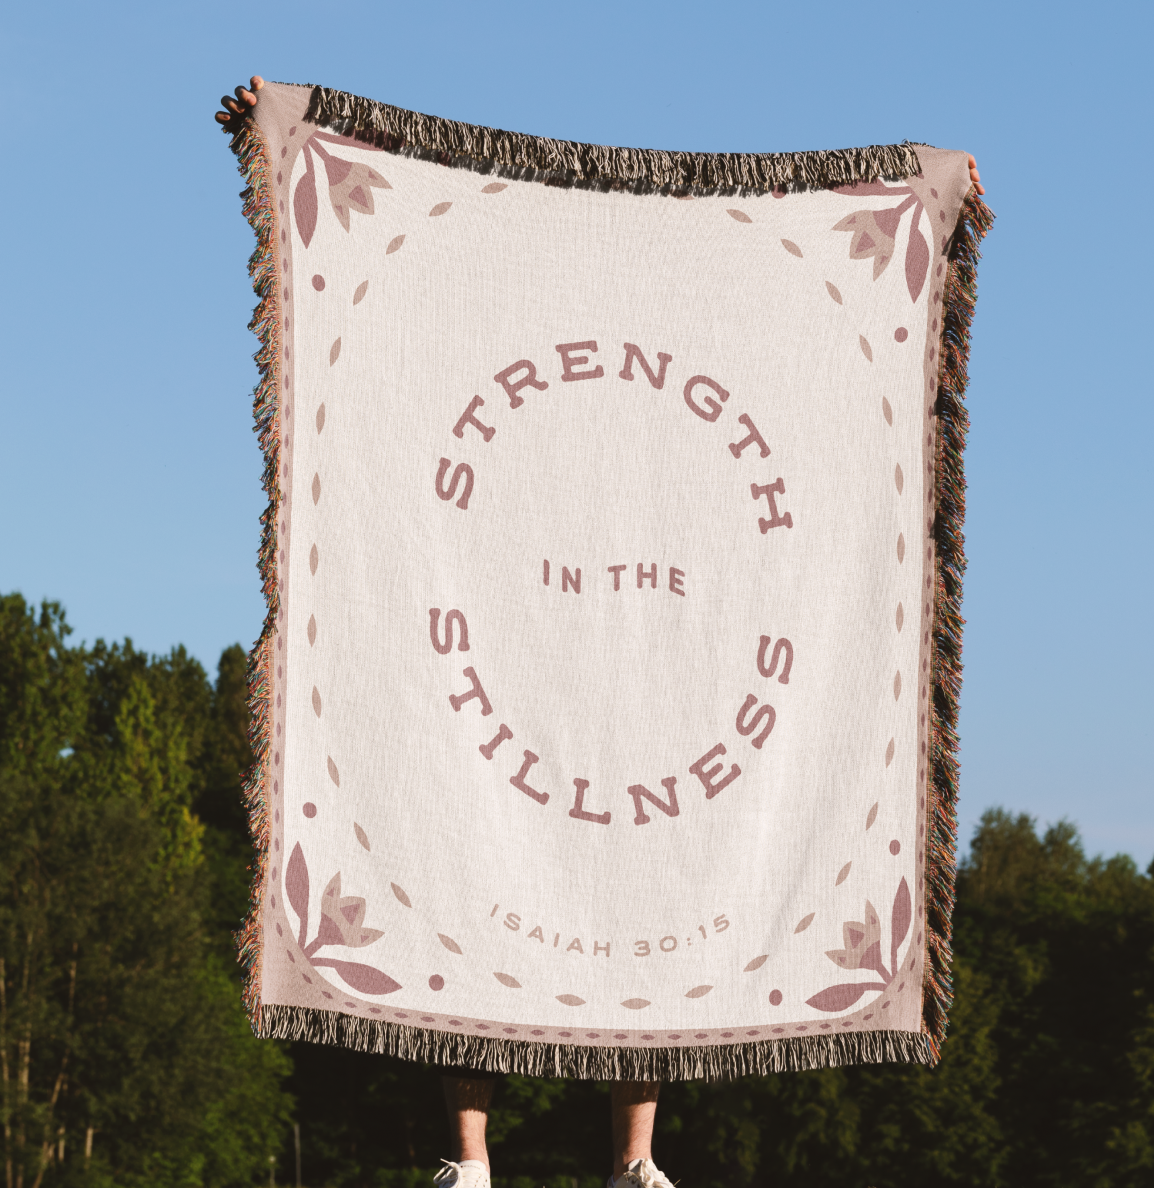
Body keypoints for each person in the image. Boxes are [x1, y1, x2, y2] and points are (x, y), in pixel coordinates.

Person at [214, 76, 984, 1188]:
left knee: (645, 896)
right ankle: (470, 1159)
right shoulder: (530, 402)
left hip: (639, 669)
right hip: (520, 645)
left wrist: (936, 190)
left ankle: (635, 1159)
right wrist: (277, 114)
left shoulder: (666, 438)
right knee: (465, 868)